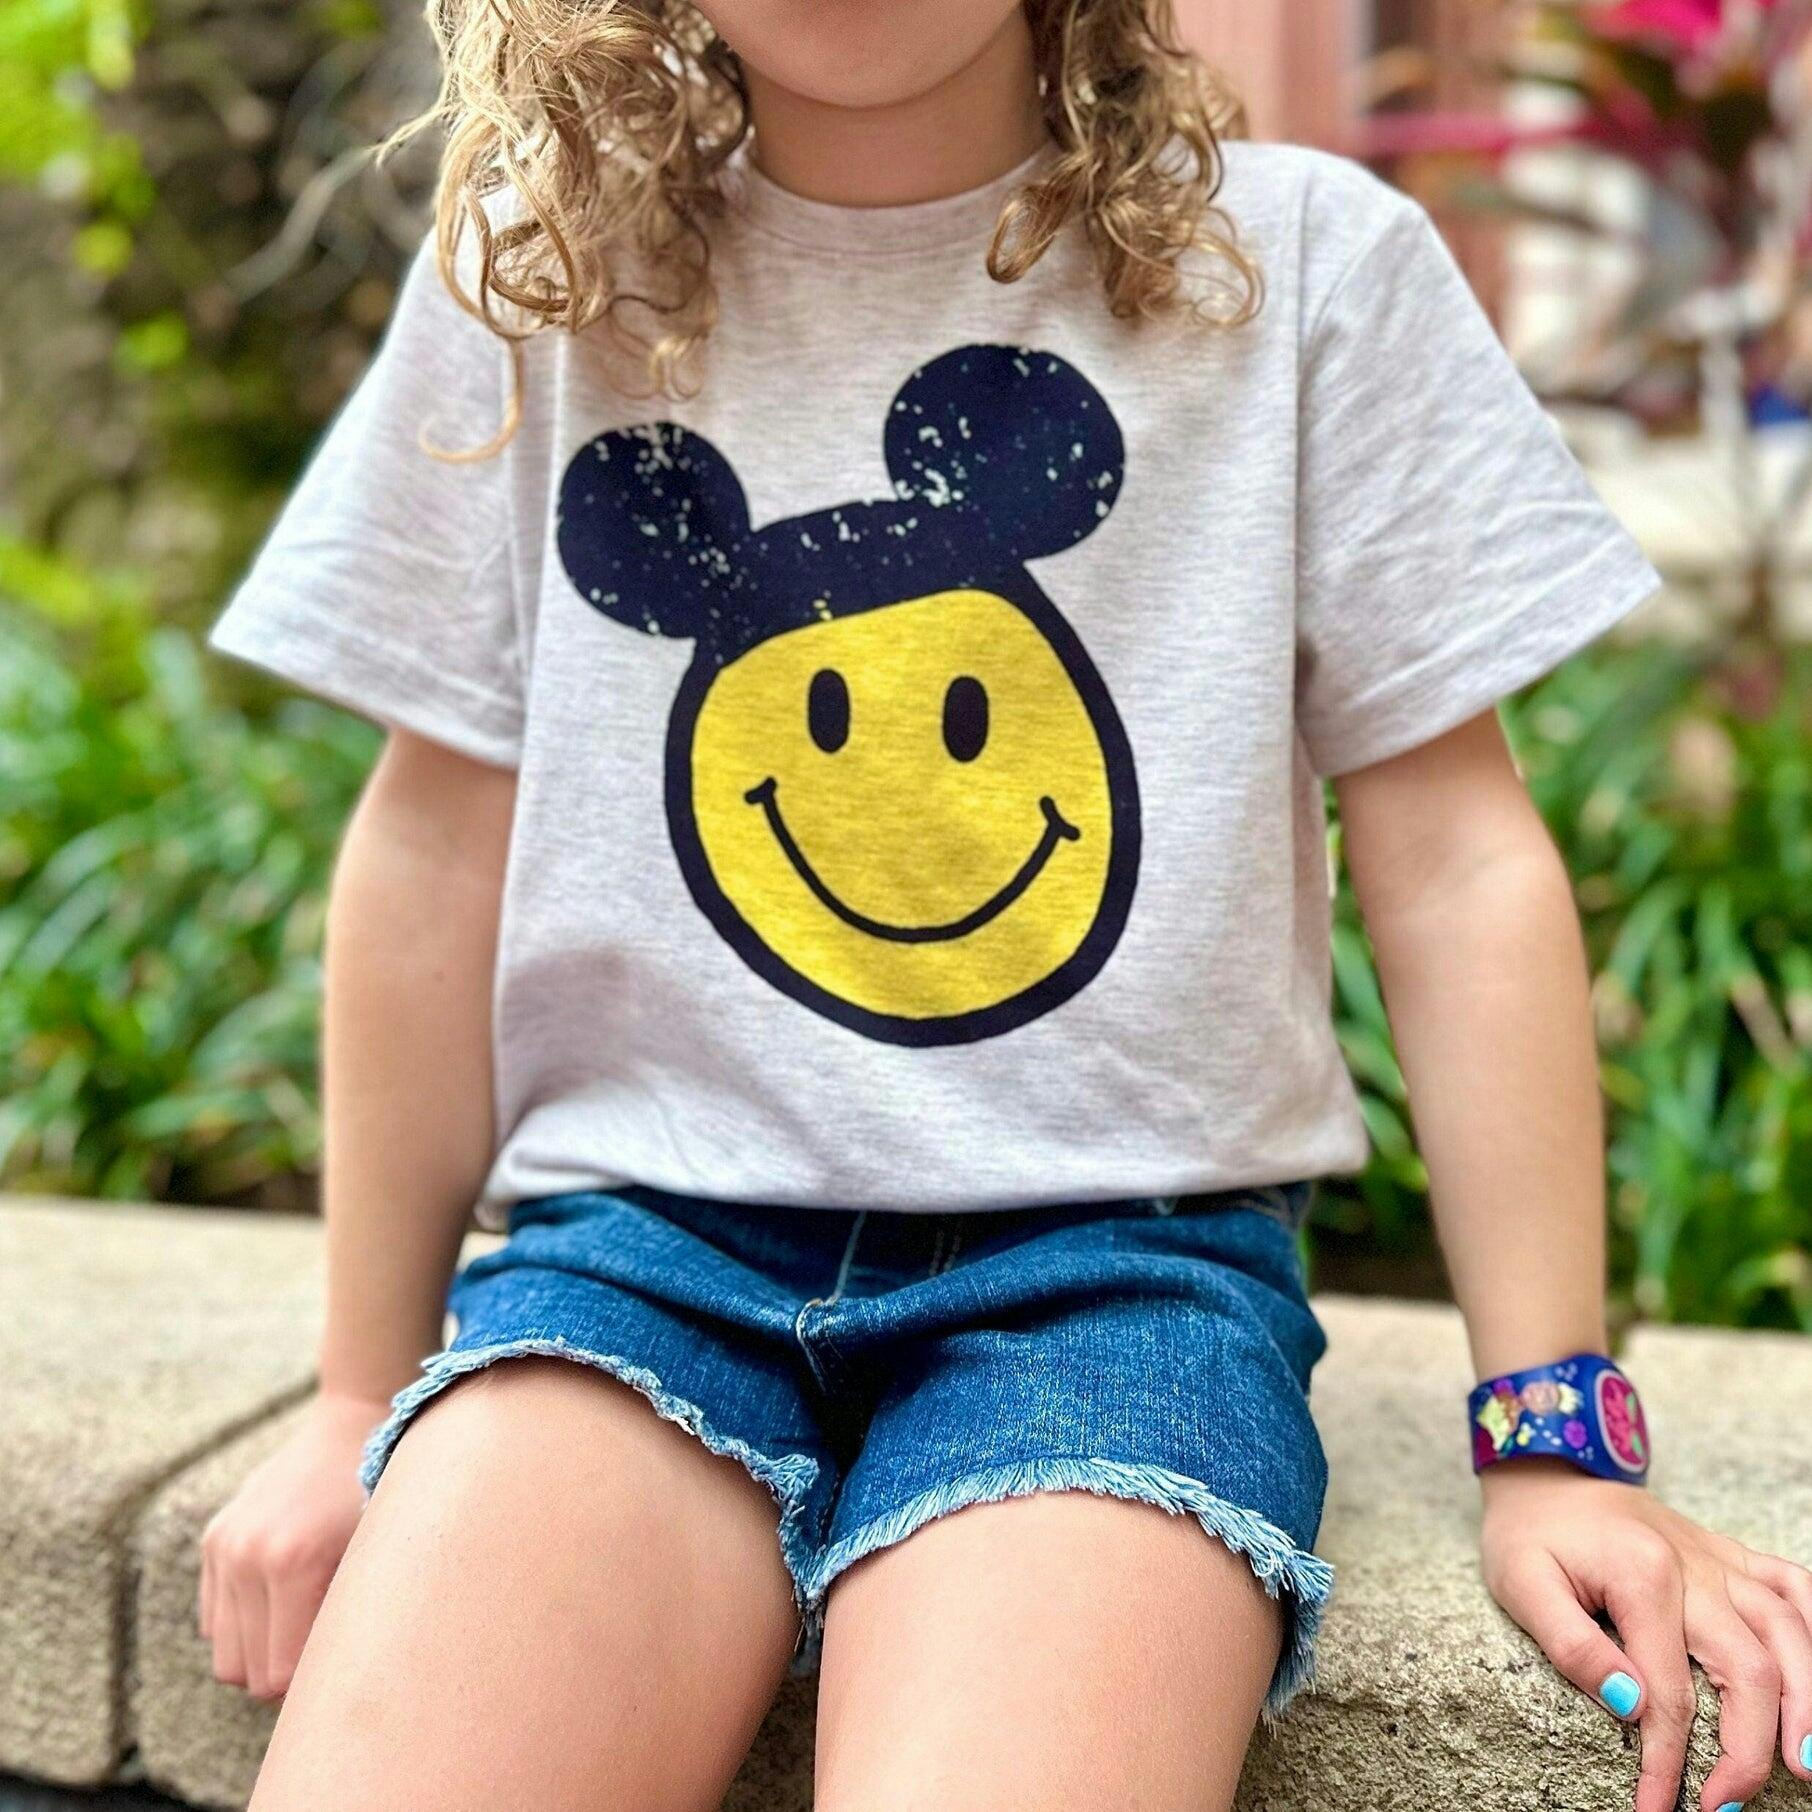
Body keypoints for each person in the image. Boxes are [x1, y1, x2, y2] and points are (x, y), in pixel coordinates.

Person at [198, 4, 1812, 1809]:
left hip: (1112, 1289)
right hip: (634, 1271)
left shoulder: (1308, 271)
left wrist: (1557, 1441)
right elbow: (431, 853)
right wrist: (356, 1397)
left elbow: (1459, 867)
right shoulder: (544, 280)